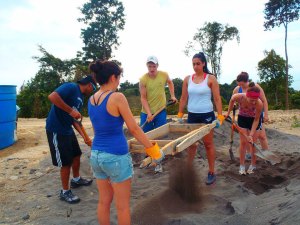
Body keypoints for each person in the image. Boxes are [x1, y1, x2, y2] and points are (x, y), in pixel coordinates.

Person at [88, 60, 164, 225]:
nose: (120, 81)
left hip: (96, 156)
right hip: (115, 157)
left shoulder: (92, 99)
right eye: (119, 77)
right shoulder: (117, 97)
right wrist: (152, 150)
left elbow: (97, 130)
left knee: (103, 202)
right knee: (122, 207)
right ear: (113, 77)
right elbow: (134, 129)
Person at [45, 75, 96, 204]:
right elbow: (52, 96)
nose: (92, 91)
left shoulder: (81, 98)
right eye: (93, 88)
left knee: (76, 155)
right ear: (89, 84)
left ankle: (76, 179)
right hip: (57, 129)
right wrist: (70, 111)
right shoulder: (71, 87)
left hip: (67, 129)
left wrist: (86, 137)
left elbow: (75, 120)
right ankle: (65, 191)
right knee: (66, 162)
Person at [177, 52, 224, 185]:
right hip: (192, 115)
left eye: (198, 63)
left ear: (203, 63)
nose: (195, 66)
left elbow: (217, 98)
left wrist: (220, 116)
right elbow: (183, 98)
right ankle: (188, 170)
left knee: (208, 144)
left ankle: (211, 172)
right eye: (193, 64)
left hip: (207, 115)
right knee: (191, 144)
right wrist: (180, 114)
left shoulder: (210, 79)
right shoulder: (187, 79)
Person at [226, 82, 263, 175]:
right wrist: (228, 113)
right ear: (247, 95)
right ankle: (242, 165)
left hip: (254, 121)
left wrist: (250, 134)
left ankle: (253, 165)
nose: (254, 102)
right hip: (242, 118)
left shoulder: (259, 104)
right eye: (252, 100)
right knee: (243, 142)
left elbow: (256, 120)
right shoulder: (239, 97)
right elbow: (231, 100)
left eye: (256, 99)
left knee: (252, 143)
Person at [232, 72, 269, 160]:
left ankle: (266, 153)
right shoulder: (237, 90)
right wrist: (235, 106)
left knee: (262, 136)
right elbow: (234, 101)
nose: (241, 85)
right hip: (244, 116)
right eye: (239, 84)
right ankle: (249, 153)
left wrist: (266, 114)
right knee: (247, 136)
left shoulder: (255, 87)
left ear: (246, 81)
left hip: (256, 115)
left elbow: (264, 101)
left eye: (242, 84)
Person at [139, 56, 177, 133]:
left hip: (161, 111)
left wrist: (172, 96)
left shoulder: (164, 75)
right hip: (146, 112)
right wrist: (149, 113)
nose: (152, 69)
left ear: (157, 66)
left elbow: (170, 82)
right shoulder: (143, 79)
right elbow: (143, 98)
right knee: (146, 135)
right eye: (150, 66)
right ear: (147, 66)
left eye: (154, 66)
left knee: (161, 134)